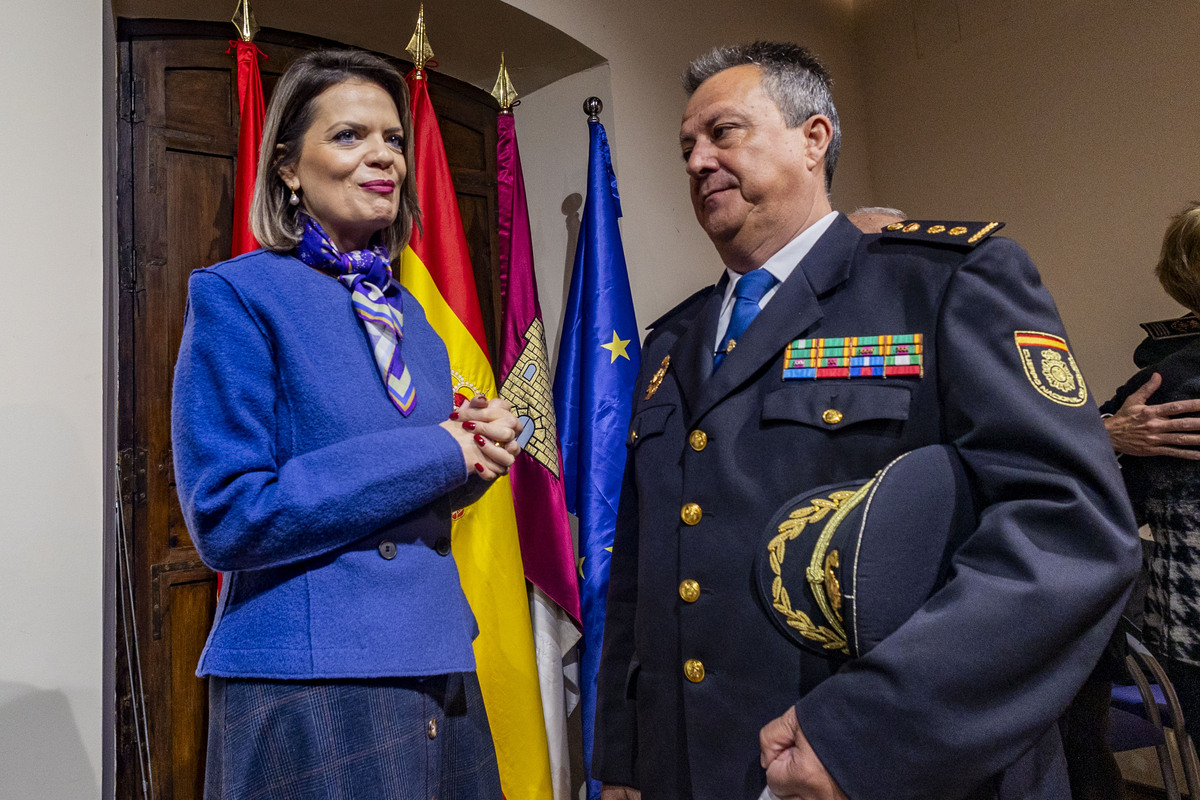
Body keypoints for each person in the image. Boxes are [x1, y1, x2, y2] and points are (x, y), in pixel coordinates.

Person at [593, 41, 1139, 800]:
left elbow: (1070, 531)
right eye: (686, 146)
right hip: (692, 770)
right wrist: (624, 759)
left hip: (889, 765)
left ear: (814, 139)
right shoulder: (671, 341)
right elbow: (642, 570)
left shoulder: (945, 283)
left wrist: (864, 734)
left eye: (724, 132)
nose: (696, 160)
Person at [171, 49, 519, 799]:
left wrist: (475, 461)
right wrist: (438, 451)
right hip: (314, 674)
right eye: (350, 136)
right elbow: (229, 515)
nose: (384, 156)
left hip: (439, 652)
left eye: (394, 138)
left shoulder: (414, 317)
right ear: (289, 168)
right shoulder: (238, 295)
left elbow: (415, 493)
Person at [1101, 202, 1200, 745]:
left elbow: (1116, 500)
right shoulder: (1166, 382)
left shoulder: (1163, 378)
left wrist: (1107, 432)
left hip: (1186, 624)